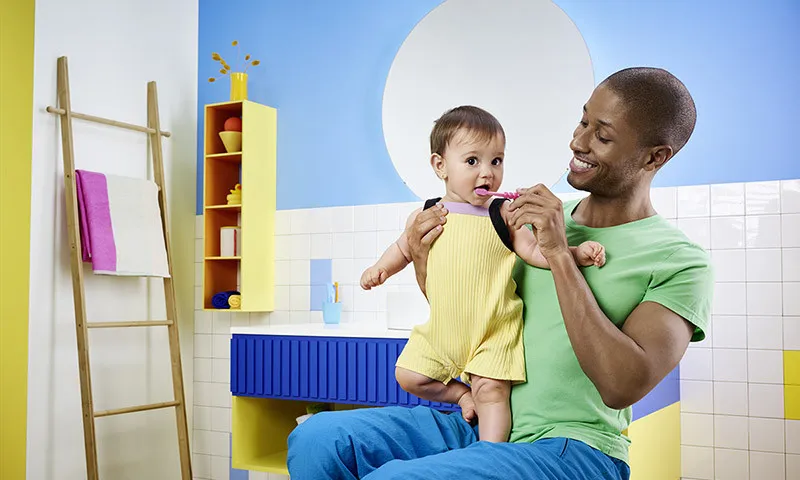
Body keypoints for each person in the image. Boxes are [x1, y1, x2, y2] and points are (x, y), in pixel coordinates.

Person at [287, 67, 713, 480]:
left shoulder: (679, 260)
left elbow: (622, 386)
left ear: (655, 157)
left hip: (574, 446)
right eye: (582, 121)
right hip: (486, 422)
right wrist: (421, 259)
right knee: (317, 441)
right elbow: (468, 302)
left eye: (601, 135)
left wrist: (560, 255)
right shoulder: (525, 219)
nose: (577, 141)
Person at [358, 105, 606, 443]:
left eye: (496, 161)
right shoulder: (428, 214)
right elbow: (403, 249)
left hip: (493, 328)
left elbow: (536, 251)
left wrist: (574, 253)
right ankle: (462, 396)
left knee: (492, 394)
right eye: (472, 161)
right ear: (440, 166)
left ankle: (490, 454)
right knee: (408, 376)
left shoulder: (502, 214)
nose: (487, 172)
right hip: (443, 330)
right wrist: (379, 269)